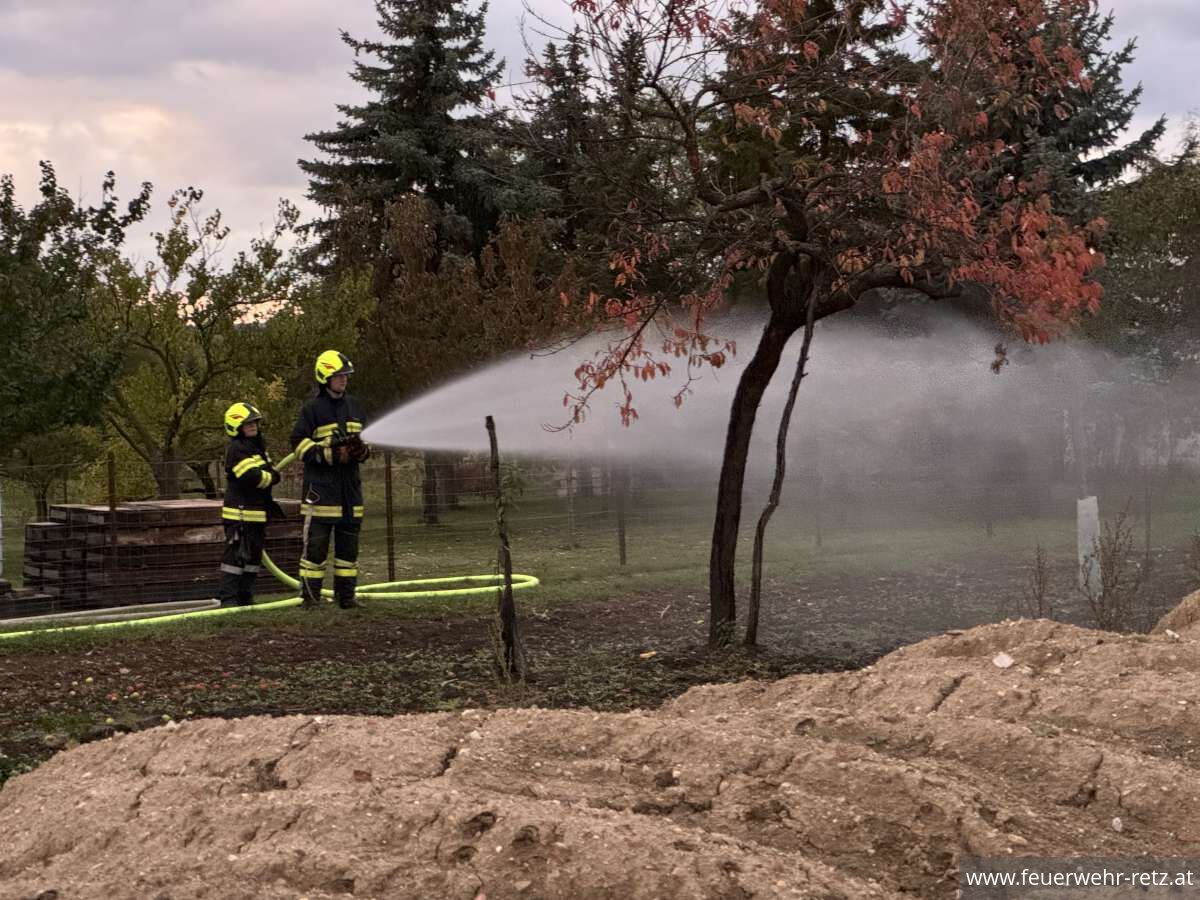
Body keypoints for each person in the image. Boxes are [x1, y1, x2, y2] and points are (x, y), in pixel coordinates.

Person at [290, 350, 370, 609]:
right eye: (338, 376)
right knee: (315, 551)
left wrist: (361, 451)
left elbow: (366, 444)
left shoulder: (355, 406)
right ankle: (310, 598)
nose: (344, 380)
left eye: (346, 375)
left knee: (348, 553)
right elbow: (298, 446)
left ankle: (346, 597)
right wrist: (331, 454)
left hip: (350, 494)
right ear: (325, 377)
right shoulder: (312, 410)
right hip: (321, 495)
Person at [219, 402, 281, 607]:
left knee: (253, 560)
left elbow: (271, 472)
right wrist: (270, 478)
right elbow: (253, 477)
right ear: (235, 426)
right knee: (235, 560)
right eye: (248, 423)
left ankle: (246, 598)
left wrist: (270, 476)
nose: (253, 425)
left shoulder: (257, 448)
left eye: (255, 422)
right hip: (240, 516)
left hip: (256, 514)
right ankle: (228, 600)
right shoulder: (237, 449)